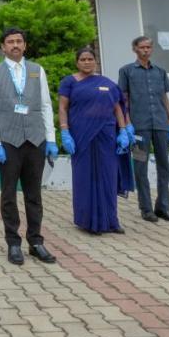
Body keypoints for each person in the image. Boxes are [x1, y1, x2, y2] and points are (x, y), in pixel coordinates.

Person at [0, 27, 59, 266]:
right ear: (3, 47)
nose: (15, 45)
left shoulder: (37, 71)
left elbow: (46, 105)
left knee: (34, 194)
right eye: (10, 42)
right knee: (8, 195)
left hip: (35, 140)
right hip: (8, 142)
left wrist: (51, 139)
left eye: (19, 41)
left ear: (25, 46)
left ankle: (36, 242)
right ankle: (13, 243)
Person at [57, 47, 133, 235]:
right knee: (85, 178)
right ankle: (88, 222)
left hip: (106, 137)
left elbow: (117, 108)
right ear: (77, 62)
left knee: (108, 176)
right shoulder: (69, 82)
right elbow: (62, 108)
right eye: (82, 59)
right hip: (81, 137)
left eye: (90, 59)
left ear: (95, 61)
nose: (87, 62)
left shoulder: (107, 83)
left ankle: (111, 220)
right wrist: (65, 132)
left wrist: (123, 131)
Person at [118, 35, 169, 223]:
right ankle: (146, 209)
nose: (145, 50)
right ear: (134, 49)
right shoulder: (127, 71)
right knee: (140, 167)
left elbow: (164, 98)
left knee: (164, 166)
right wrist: (127, 123)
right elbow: (123, 99)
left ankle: (163, 206)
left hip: (160, 125)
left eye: (148, 47)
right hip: (138, 128)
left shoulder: (160, 72)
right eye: (142, 47)